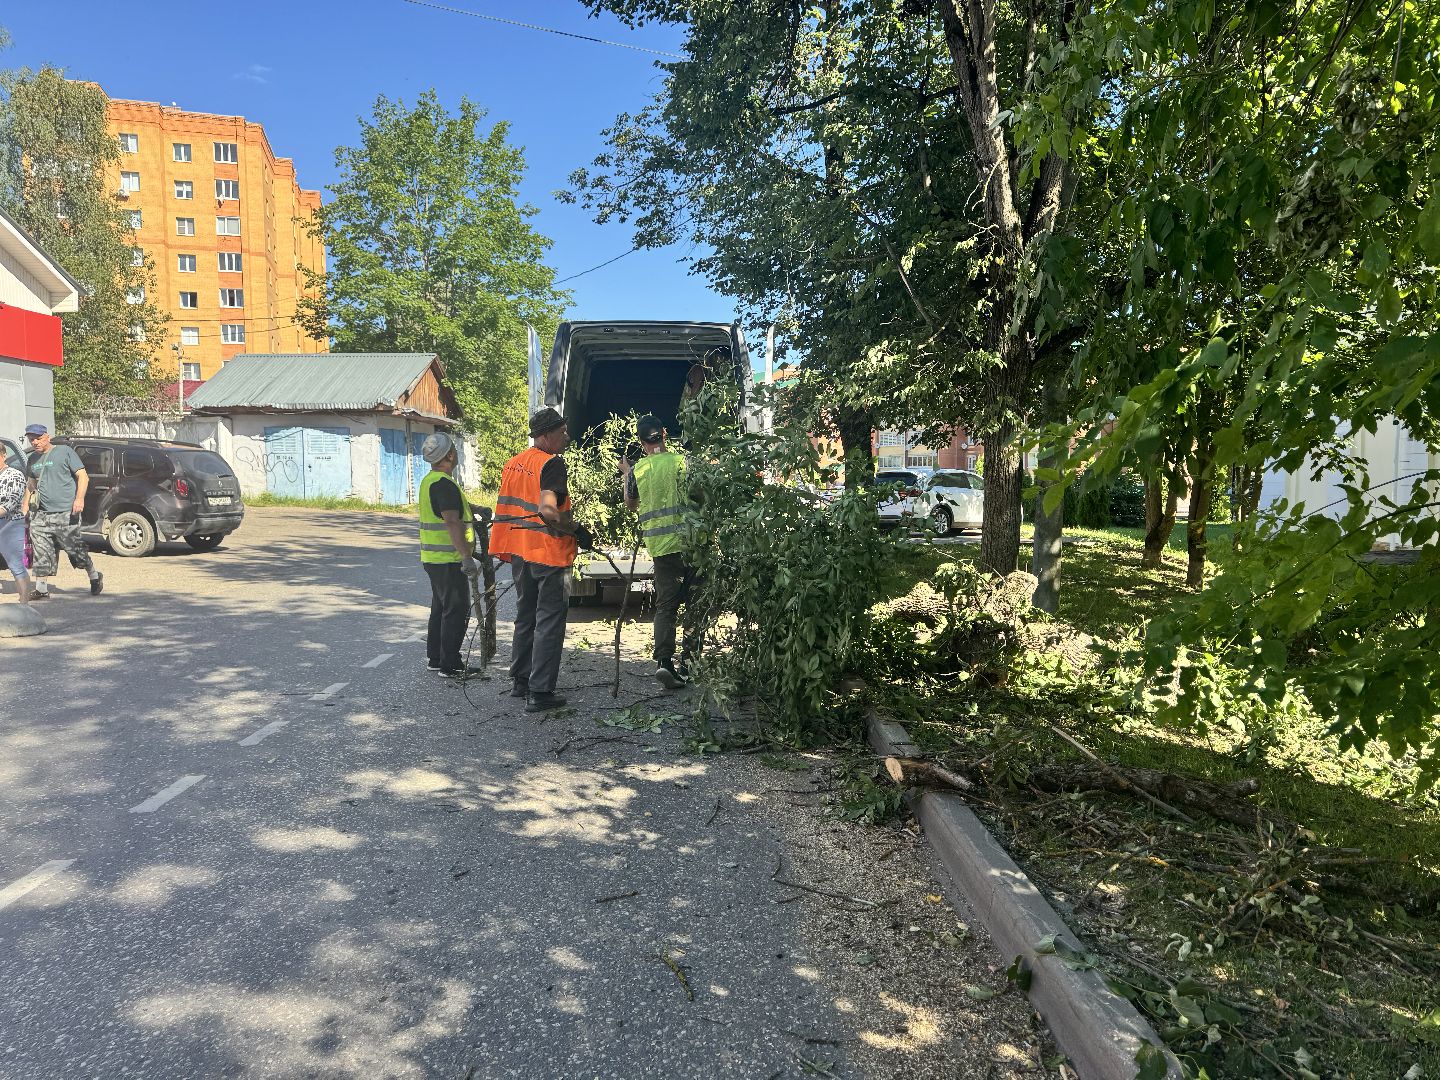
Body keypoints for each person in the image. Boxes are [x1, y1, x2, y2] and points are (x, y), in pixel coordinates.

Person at [489, 407, 587, 714]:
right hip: (549, 554)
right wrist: (576, 529)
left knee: (526, 616)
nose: (566, 436)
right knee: (549, 621)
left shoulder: (514, 463)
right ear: (546, 436)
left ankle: (521, 680)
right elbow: (547, 510)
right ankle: (540, 691)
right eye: (562, 431)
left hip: (521, 551)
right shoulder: (552, 464)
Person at [621, 414, 701, 689]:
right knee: (695, 603)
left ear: (641, 441)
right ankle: (690, 664)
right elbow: (701, 495)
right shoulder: (685, 462)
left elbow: (631, 504)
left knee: (666, 605)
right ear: (665, 434)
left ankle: (664, 662)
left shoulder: (638, 470)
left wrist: (626, 474)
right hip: (692, 543)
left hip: (662, 548)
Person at [417, 431, 482, 679]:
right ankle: (451, 664)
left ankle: (436, 659)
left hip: (433, 559)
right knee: (456, 609)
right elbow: (452, 521)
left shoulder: (430, 481)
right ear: (451, 455)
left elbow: (448, 508)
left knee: (440, 608)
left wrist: (475, 509)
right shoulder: (444, 484)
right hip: (448, 560)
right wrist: (466, 557)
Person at [20, 425, 102, 599]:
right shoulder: (33, 459)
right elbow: (31, 484)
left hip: (65, 512)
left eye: (38, 438)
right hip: (40, 513)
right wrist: (25, 505)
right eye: (31, 439)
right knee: (42, 551)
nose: (34, 442)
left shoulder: (64, 452)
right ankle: (41, 589)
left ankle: (94, 576)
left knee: (75, 551)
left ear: (47, 436)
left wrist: (79, 499)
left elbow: (83, 476)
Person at [0, 441, 34, 603]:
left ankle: (24, 604)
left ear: (3, 456)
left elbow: (9, 504)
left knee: (15, 566)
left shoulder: (14, 475)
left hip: (10, 525)